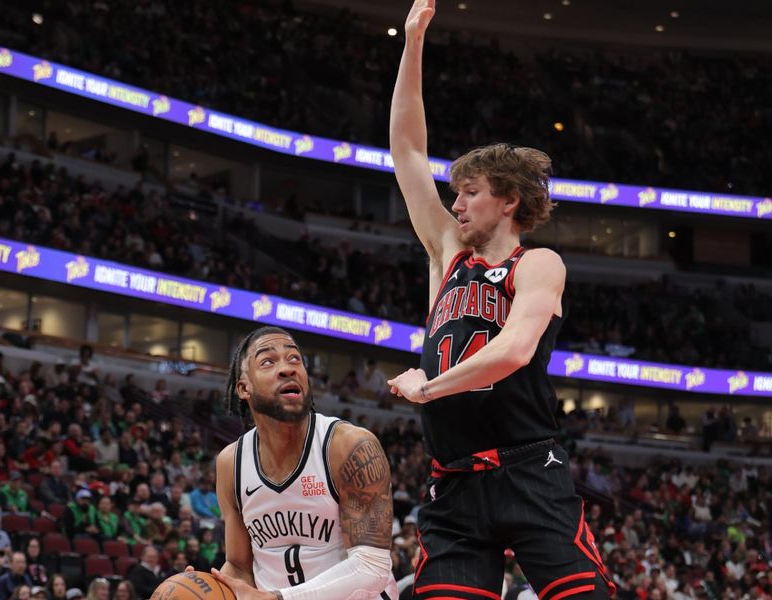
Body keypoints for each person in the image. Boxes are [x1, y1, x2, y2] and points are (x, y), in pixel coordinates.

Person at [387, 1, 614, 598]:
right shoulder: (445, 253)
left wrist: (428, 387)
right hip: (455, 484)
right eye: (455, 194)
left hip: (528, 469)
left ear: (508, 201)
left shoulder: (538, 264)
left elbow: (514, 349)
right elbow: (407, 153)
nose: (454, 204)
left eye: (468, 192)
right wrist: (412, 43)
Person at [196, 326, 397, 600]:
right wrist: (205, 588)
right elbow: (240, 566)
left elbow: (372, 567)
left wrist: (281, 599)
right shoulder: (231, 463)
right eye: (268, 361)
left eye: (294, 359)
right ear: (244, 388)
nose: (287, 369)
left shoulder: (348, 445)